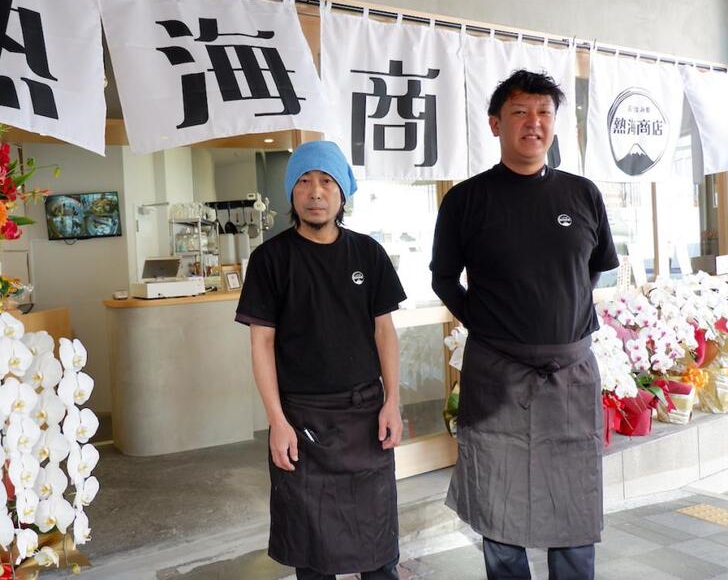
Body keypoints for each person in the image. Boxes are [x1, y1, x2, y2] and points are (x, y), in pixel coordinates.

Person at [430, 70, 619, 580]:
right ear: (495, 124)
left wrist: (564, 315)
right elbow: (444, 280)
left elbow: (595, 267)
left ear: (554, 124)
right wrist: (488, 327)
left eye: (543, 113)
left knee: (574, 503)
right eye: (519, 112)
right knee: (500, 504)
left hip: (571, 372)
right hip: (497, 374)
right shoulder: (465, 201)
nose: (533, 123)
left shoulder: (582, 194)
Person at [236, 140, 407, 580]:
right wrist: (276, 420)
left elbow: (384, 331)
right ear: (291, 192)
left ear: (343, 192)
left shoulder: (368, 253)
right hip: (302, 420)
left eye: (327, 181)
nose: (315, 192)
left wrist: (393, 402)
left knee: (379, 552)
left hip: (365, 415)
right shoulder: (270, 259)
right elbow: (262, 344)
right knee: (311, 555)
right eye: (305, 181)